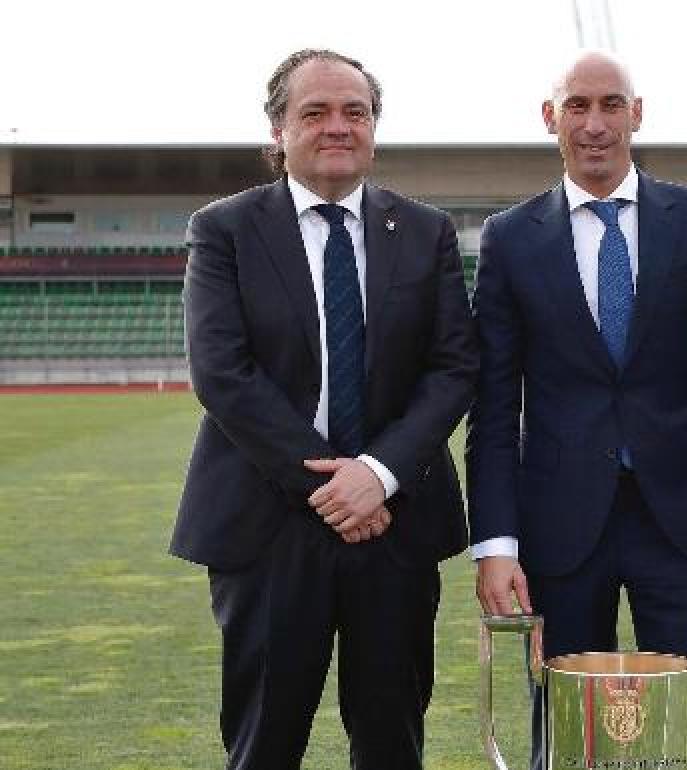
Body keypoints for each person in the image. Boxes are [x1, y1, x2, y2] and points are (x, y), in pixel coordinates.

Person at [169, 49, 477, 770]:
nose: (338, 126)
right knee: (265, 742)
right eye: (315, 112)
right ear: (278, 130)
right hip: (268, 531)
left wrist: (379, 472)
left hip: (394, 528)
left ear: (374, 127)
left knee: (392, 740)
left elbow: (454, 365)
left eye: (355, 112)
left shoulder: (426, 231)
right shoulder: (224, 229)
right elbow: (223, 373)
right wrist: (333, 487)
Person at [467, 50, 687, 770]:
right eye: (578, 106)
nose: (595, 124)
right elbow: (492, 403)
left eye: (611, 105)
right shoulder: (509, 240)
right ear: (551, 118)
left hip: (686, 523)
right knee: (565, 720)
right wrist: (497, 546)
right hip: (560, 525)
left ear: (638, 113)